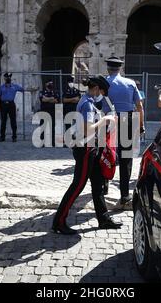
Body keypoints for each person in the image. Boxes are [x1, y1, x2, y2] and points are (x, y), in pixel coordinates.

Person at [52, 75, 122, 235]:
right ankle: (59, 221)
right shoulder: (88, 105)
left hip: (92, 147)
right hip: (85, 149)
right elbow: (87, 129)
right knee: (78, 185)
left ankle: (104, 219)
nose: (103, 95)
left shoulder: (89, 102)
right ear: (96, 88)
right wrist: (105, 119)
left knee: (98, 185)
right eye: (102, 91)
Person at [106, 57, 144, 208]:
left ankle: (104, 186)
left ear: (108, 68)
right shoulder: (130, 83)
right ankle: (124, 195)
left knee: (105, 153)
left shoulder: (103, 82)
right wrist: (141, 125)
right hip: (128, 119)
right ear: (120, 68)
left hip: (107, 119)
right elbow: (139, 106)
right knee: (126, 158)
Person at [0, 73, 24, 143]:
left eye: (9, 77)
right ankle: (2, 137)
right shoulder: (1, 87)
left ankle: (14, 137)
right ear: (4, 79)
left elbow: (22, 89)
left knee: (13, 121)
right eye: (6, 77)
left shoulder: (14, 86)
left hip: (11, 105)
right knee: (3, 121)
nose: (8, 79)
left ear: (10, 78)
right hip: (3, 105)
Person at [39, 81, 60, 146]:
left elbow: (56, 100)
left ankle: (52, 141)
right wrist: (51, 98)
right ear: (45, 84)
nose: (50, 84)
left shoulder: (55, 92)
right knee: (43, 126)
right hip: (44, 111)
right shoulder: (42, 92)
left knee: (52, 126)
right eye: (49, 83)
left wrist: (47, 99)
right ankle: (42, 142)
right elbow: (43, 100)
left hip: (52, 111)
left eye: (51, 83)